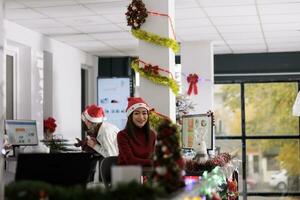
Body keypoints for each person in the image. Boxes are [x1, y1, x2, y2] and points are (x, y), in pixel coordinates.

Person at [117, 97, 156, 166]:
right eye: (136, 113)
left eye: (144, 113)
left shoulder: (152, 134)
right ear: (130, 116)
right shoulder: (122, 135)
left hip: (147, 173)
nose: (141, 117)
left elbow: (153, 157)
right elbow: (131, 161)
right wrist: (154, 162)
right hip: (126, 173)